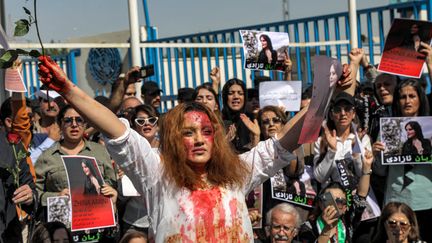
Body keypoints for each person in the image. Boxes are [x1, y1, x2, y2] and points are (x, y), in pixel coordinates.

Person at [37, 56, 310, 242]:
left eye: (206, 131)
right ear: (174, 141)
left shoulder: (236, 173)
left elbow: (285, 142)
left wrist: (324, 94)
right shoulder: (157, 172)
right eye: (188, 133)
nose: (200, 139)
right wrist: (69, 90)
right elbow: (116, 131)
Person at [373, 78, 432, 242]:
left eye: (412, 96)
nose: (407, 101)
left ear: (420, 98)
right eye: (402, 97)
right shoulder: (389, 129)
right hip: (397, 202)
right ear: (397, 101)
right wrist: (376, 154)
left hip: (427, 202)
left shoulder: (430, 130)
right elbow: (379, 171)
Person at [34, 105, 117, 219]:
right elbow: (34, 192)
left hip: (96, 219)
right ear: (60, 124)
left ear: (85, 124)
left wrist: (111, 191)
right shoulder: (47, 157)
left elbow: (113, 183)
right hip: (62, 226)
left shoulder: (100, 151)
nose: (74, 125)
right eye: (68, 120)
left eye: (79, 120)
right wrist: (55, 197)